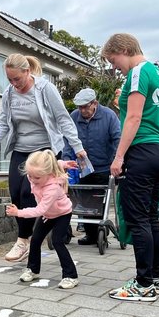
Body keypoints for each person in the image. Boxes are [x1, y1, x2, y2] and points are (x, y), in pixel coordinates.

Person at [0, 54, 85, 263]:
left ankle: (23, 240)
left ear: (27, 72)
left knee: (29, 191)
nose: (14, 84)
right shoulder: (9, 93)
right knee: (16, 192)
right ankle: (36, 231)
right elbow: (3, 124)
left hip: (45, 149)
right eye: (10, 80)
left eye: (17, 79)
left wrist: (77, 147)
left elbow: (63, 118)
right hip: (21, 148)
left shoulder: (45, 89)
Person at [101, 33, 159, 301]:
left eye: (114, 60)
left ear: (124, 49)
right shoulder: (156, 72)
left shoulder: (138, 71)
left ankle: (143, 284)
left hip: (141, 151)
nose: (115, 67)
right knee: (151, 217)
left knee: (138, 218)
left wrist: (118, 157)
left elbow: (133, 117)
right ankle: (156, 277)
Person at [5, 150, 80, 289]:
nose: (32, 180)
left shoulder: (52, 188)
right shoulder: (37, 174)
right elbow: (55, 163)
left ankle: (71, 276)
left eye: (37, 177)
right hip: (49, 214)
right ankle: (33, 269)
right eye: (30, 175)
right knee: (35, 240)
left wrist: (18, 212)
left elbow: (40, 210)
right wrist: (64, 163)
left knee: (57, 241)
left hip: (62, 214)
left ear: (48, 173)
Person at [62, 87, 121, 245]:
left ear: (94, 103)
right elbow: (68, 139)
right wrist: (66, 160)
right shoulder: (74, 117)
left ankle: (100, 231)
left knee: (99, 200)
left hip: (104, 167)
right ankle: (91, 235)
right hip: (83, 167)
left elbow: (117, 139)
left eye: (85, 107)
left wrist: (117, 160)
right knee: (86, 201)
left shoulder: (109, 116)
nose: (82, 110)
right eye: (79, 107)